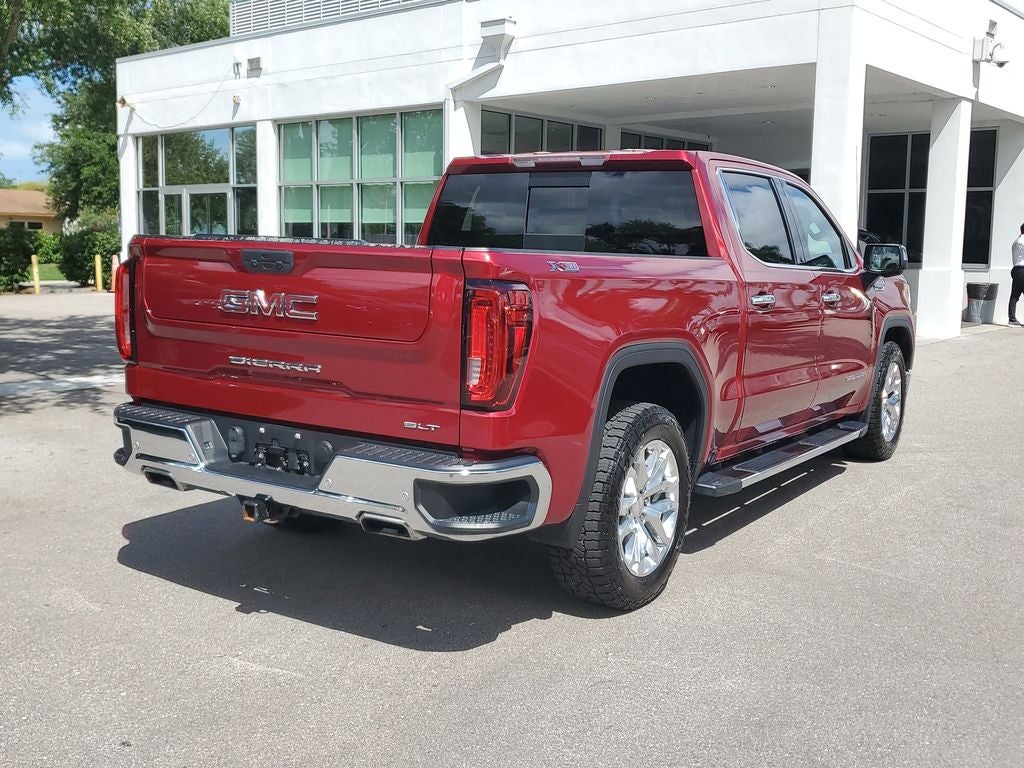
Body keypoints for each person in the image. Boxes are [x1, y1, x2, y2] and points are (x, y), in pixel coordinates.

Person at [1012, 223, 1024, 327]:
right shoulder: (1023, 241)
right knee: (1015, 295)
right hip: (1022, 270)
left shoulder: (1016, 241)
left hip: (1016, 269)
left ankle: (1012, 319)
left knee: (1015, 295)